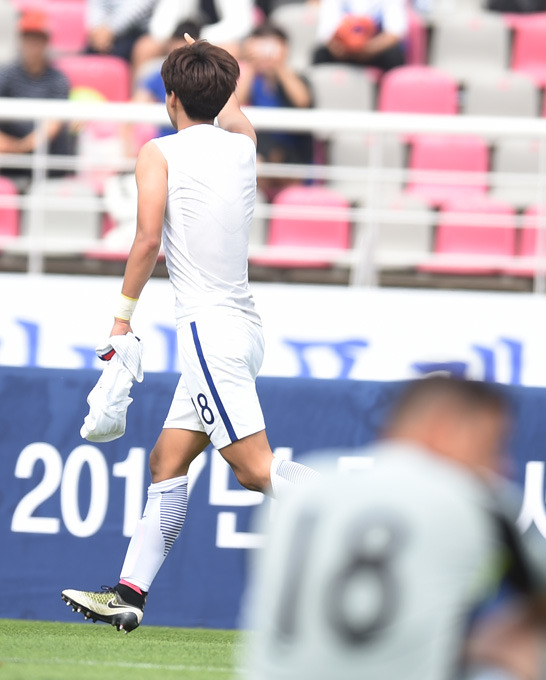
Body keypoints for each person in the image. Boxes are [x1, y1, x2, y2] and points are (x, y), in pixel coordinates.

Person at [61, 37, 319, 633]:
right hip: (244, 332)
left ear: (169, 97)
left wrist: (122, 318)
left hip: (208, 334)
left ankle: (363, 518)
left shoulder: (160, 152)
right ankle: (128, 593)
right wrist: (208, 57)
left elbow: (147, 240)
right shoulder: (245, 148)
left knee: (254, 471)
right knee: (166, 460)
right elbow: (230, 110)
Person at [232, 377, 546, 680]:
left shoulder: (305, 493)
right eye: (493, 444)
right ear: (445, 427)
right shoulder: (479, 499)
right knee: (523, 649)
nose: (501, 464)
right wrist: (483, 643)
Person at [237, 24, 313, 197]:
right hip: (263, 151)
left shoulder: (297, 77)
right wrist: (251, 65)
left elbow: (302, 101)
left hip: (294, 152)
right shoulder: (253, 81)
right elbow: (236, 103)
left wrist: (278, 65)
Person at [0, 9, 72, 183]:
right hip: (8, 158)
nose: (32, 44)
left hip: (48, 159)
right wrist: (8, 145)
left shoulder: (58, 79)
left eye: (37, 38)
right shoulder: (6, 75)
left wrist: (22, 146)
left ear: (46, 41)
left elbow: (54, 124)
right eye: (28, 37)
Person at [314, 0, 407, 72]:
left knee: (394, 55)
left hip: (374, 49)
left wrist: (366, 49)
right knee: (320, 54)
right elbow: (326, 31)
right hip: (343, 50)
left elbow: (394, 32)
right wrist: (340, 48)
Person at [86, 0, 157, 64]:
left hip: (137, 34)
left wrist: (110, 30)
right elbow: (96, 5)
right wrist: (97, 27)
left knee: (145, 48)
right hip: (102, 34)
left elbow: (138, 8)